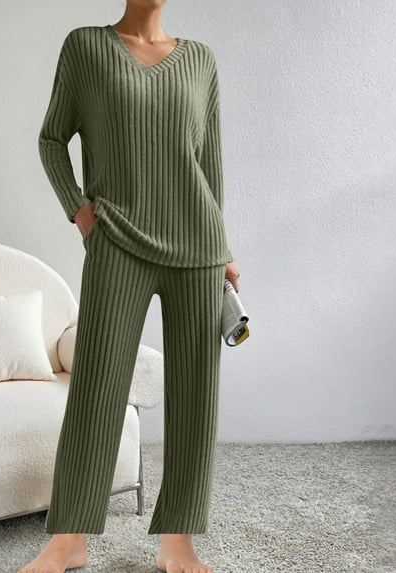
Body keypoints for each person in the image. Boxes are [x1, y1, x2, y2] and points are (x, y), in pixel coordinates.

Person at [19, 1, 240, 572]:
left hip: (198, 247)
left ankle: (178, 541)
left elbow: (209, 164)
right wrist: (81, 213)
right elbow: (51, 139)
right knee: (96, 388)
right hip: (116, 240)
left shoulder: (201, 61)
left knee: (196, 397)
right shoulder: (86, 47)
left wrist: (224, 252)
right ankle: (69, 539)